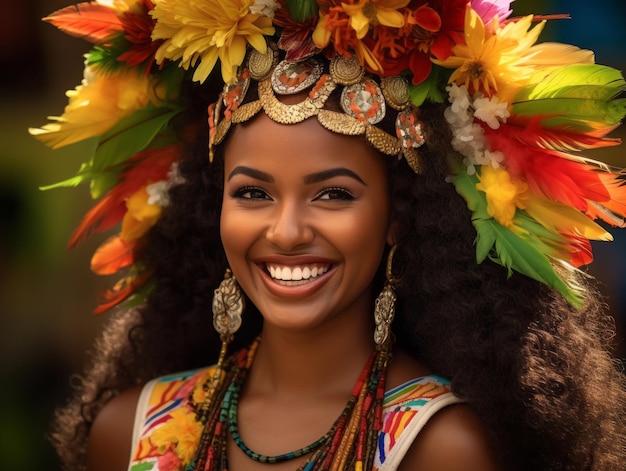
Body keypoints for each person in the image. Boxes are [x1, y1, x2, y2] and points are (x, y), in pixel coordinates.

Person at [31, 1, 626, 470]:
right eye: (253, 193)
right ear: (213, 209)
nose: (286, 231)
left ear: (399, 216)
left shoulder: (439, 446)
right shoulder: (130, 432)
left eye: (333, 194)